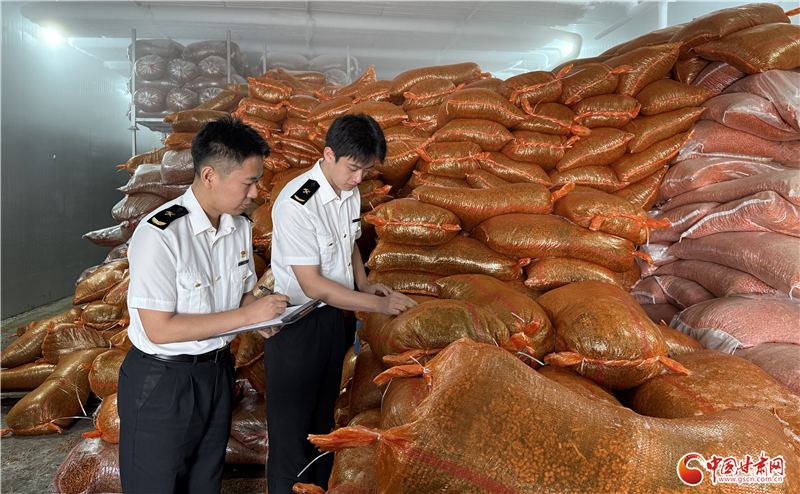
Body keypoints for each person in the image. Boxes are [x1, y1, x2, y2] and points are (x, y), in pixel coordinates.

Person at [118, 116, 289, 493]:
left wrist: (259, 315)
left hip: (216, 373)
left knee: (205, 482)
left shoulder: (239, 227)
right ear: (210, 175)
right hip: (164, 382)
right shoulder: (161, 234)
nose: (255, 193)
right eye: (248, 182)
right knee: (156, 485)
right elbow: (159, 329)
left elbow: (238, 295)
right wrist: (246, 315)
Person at [267, 114, 417, 492]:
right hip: (295, 326)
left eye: (365, 170)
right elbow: (313, 285)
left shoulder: (349, 192)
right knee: (291, 434)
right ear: (329, 154)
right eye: (353, 168)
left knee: (323, 423)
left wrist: (364, 283)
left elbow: (347, 241)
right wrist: (376, 306)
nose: (358, 178)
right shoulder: (298, 203)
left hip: (333, 319)